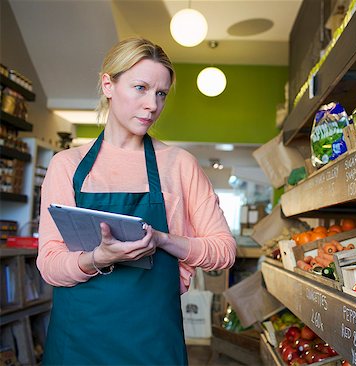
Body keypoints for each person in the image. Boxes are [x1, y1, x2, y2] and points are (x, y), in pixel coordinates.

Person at [37, 37, 237, 365]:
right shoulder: (68, 166)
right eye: (140, 88)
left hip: (153, 343)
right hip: (78, 344)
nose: (152, 105)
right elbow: (50, 266)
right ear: (108, 84)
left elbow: (224, 251)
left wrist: (163, 239)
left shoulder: (179, 165)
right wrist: (96, 258)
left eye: (161, 94)